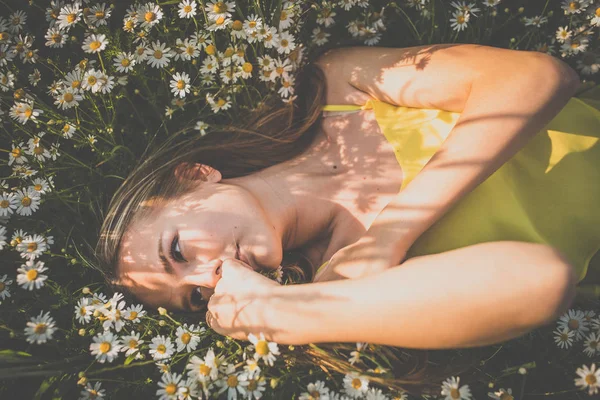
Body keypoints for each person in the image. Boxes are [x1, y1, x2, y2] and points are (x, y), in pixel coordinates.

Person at [96, 43, 600, 350]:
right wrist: (290, 314)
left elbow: (540, 77)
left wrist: (390, 234)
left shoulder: (339, 84)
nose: (208, 279)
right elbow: (540, 279)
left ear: (194, 177)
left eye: (178, 252)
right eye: (193, 298)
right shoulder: (337, 284)